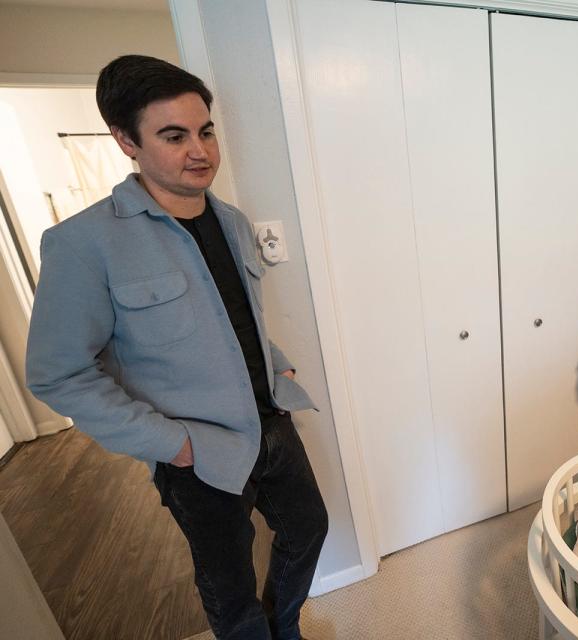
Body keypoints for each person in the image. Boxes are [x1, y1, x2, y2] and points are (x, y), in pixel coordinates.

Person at [26, 55, 327, 640]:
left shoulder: (232, 221)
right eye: (174, 135)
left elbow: (231, 316)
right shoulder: (84, 243)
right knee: (227, 579)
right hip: (196, 449)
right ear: (125, 141)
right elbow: (58, 375)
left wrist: (276, 363)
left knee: (308, 529)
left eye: (205, 130)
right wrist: (173, 444)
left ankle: (284, 628)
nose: (200, 150)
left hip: (271, 421)